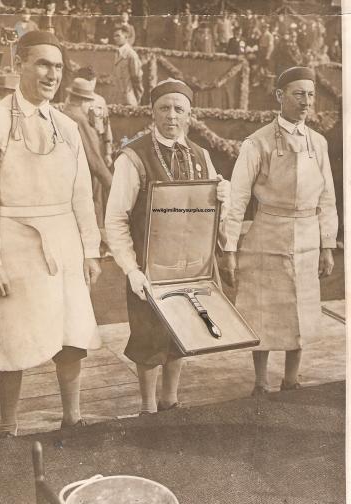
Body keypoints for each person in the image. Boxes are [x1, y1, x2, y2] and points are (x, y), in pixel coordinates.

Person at [0, 31, 102, 439]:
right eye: (43, 63)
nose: (51, 74)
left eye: (58, 67)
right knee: (13, 340)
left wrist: (91, 251)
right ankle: (8, 427)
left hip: (64, 240)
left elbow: (81, 195)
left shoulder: (67, 126)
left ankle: (72, 418)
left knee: (73, 334)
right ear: (19, 63)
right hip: (14, 242)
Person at [105, 79, 231, 415]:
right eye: (164, 107)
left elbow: (212, 221)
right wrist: (131, 269)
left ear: (190, 114)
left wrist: (222, 200)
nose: (171, 115)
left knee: (180, 335)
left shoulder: (202, 156)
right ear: (152, 112)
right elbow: (116, 219)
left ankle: (170, 401)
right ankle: (147, 410)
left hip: (188, 265)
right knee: (148, 339)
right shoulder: (134, 157)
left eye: (179, 109)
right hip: (148, 266)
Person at [221, 67, 338, 396]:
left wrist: (327, 244)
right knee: (263, 309)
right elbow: (238, 198)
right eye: (299, 94)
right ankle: (260, 382)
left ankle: (292, 378)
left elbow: (327, 196)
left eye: (311, 94)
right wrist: (229, 249)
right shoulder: (256, 143)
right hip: (267, 235)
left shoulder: (318, 142)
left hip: (307, 237)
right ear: (280, 96)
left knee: (299, 308)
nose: (306, 102)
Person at [65, 68, 114, 251]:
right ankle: (96, 244)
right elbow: (93, 156)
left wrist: (107, 151)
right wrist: (110, 181)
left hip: (79, 165)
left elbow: (106, 129)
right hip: (86, 166)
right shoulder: (77, 118)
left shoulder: (67, 111)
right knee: (92, 202)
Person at [112, 25, 144, 106]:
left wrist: (136, 97)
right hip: (118, 98)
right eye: (114, 36)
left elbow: (137, 78)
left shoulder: (131, 54)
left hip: (129, 98)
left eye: (118, 36)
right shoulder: (118, 53)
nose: (115, 38)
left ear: (126, 37)